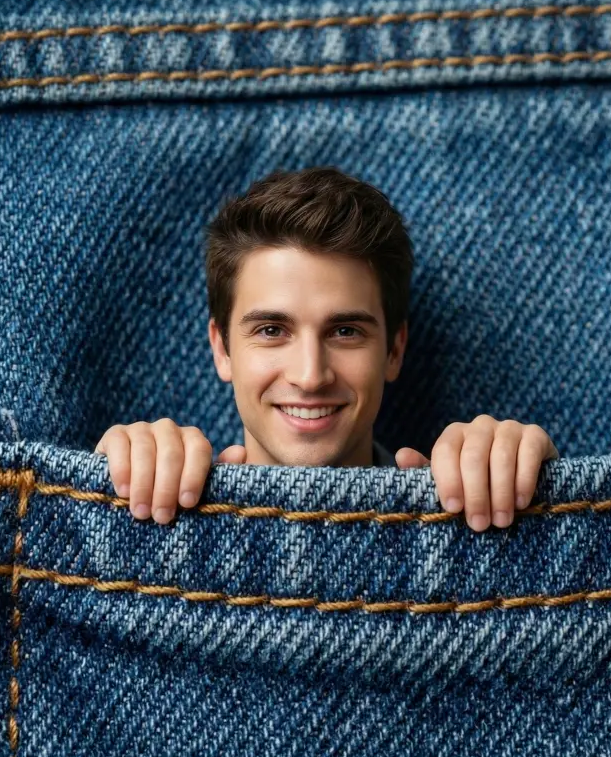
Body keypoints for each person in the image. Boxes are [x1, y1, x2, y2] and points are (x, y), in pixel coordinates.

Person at [95, 166, 559, 532]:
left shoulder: (462, 493)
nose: (310, 376)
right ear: (222, 349)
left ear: (395, 351)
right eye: (272, 330)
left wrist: (529, 486)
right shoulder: (157, 491)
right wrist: (107, 486)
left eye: (345, 332)